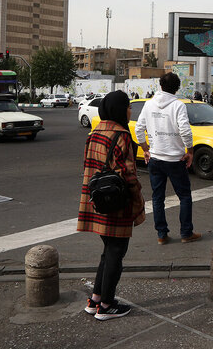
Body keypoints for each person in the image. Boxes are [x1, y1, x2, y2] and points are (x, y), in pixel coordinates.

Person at [77, 90, 146, 320]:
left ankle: (95, 298)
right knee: (117, 252)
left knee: (108, 250)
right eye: (127, 107)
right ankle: (106, 306)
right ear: (118, 109)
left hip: (97, 199)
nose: (130, 110)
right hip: (117, 203)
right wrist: (138, 201)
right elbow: (129, 176)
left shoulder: (96, 131)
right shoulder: (121, 135)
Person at [135, 73, 201, 245]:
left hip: (155, 159)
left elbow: (138, 129)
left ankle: (161, 235)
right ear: (177, 88)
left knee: (158, 198)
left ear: (160, 86)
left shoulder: (148, 105)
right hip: (175, 159)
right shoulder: (178, 106)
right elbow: (185, 131)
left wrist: (145, 149)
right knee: (184, 196)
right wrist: (190, 151)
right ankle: (186, 233)